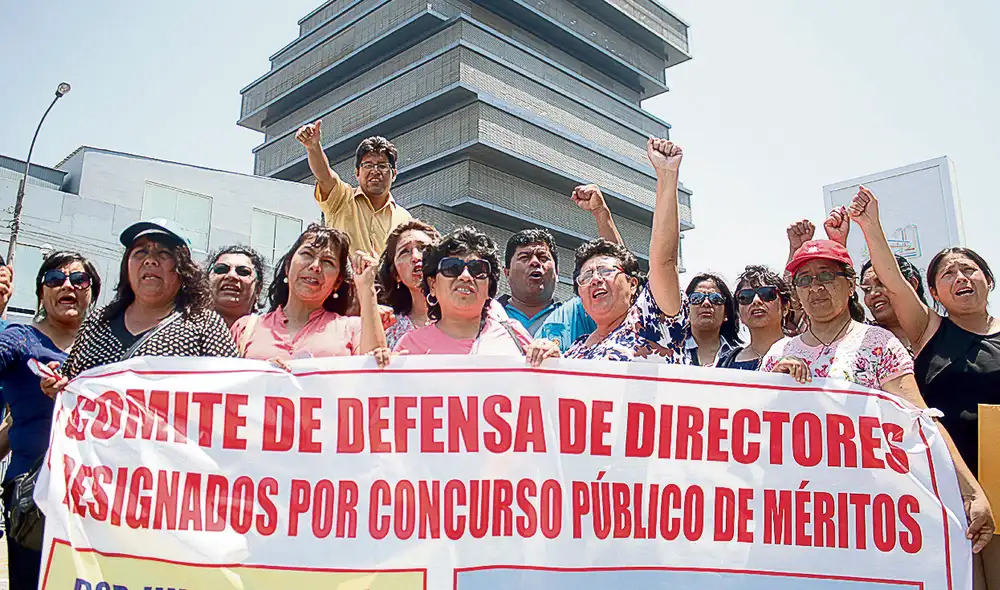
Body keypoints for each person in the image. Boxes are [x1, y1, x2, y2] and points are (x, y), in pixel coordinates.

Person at [762, 234, 994, 559]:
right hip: (800, 513)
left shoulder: (879, 344)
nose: (815, 288)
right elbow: (755, 437)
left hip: (870, 513)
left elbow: (921, 421)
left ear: (850, 283)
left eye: (826, 276)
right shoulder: (777, 354)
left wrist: (970, 493)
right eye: (804, 279)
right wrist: (773, 392)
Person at [848, 186, 997, 569]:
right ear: (931, 292)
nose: (961, 278)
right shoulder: (929, 330)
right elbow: (893, 281)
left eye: (970, 270)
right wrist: (870, 226)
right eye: (948, 274)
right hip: (946, 486)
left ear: (988, 280)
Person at [41, 219, 237, 393]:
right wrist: (56, 385)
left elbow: (233, 391)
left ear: (183, 268)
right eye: (140, 252)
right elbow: (69, 379)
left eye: (163, 253)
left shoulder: (205, 325)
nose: (150, 260)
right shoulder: (98, 322)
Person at [0, 251, 100, 588]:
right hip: (32, 499)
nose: (67, 285)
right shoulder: (19, 339)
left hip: (94, 496)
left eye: (78, 280)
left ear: (92, 292)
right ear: (42, 292)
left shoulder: (105, 350)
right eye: (55, 279)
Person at [564, 138, 687, 362]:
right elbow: (620, 262)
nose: (596, 279)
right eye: (587, 275)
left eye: (605, 272)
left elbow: (663, 261)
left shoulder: (652, 323)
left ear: (633, 285)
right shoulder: (574, 351)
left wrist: (667, 176)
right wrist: (601, 213)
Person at [390, 226, 559, 366]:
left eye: (477, 269)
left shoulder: (513, 334)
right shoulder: (409, 347)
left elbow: (547, 394)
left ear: (489, 288)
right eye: (452, 267)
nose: (465, 276)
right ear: (432, 284)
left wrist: (552, 362)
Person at [231, 224, 387, 360]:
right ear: (287, 266)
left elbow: (375, 374)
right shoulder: (245, 328)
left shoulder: (353, 329)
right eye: (307, 254)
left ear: (337, 282)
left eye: (328, 262)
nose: (315, 266)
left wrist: (367, 288)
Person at [296, 121, 410, 256]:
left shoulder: (405, 219)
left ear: (394, 174)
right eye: (367, 165)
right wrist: (313, 147)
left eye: (382, 165)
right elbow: (324, 176)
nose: (375, 171)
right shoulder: (341, 198)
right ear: (356, 173)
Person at [377, 220, 441, 349]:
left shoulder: (467, 316)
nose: (415, 257)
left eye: (423, 248)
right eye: (404, 252)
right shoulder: (388, 329)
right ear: (396, 275)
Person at [718, 265, 795, 370]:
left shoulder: (807, 354)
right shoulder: (725, 364)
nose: (756, 301)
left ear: (785, 307)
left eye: (767, 294)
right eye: (745, 297)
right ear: (738, 313)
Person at [859, 255, 925, 353]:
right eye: (867, 289)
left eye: (881, 283)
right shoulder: (861, 342)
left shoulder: (943, 332)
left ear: (911, 284)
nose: (873, 294)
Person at [684, 272, 742, 366]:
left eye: (716, 299)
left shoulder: (740, 357)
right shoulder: (672, 352)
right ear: (686, 309)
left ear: (726, 313)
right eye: (696, 298)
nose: (706, 303)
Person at [207, 245, 266, 327]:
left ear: (258, 290)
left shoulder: (270, 333)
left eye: (243, 272)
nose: (231, 276)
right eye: (221, 269)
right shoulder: (186, 325)